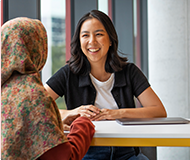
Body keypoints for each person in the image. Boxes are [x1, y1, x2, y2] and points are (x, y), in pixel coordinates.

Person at [45, 10, 167, 160]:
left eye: (99, 34)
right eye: (85, 35)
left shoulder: (129, 72)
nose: (92, 41)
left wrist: (118, 113)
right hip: (87, 152)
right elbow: (35, 107)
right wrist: (70, 112)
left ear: (110, 40)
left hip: (126, 152)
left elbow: (158, 110)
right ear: (79, 41)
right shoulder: (68, 74)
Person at [1, 17, 95, 160]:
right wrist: (83, 124)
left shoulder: (6, 90)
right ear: (37, 48)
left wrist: (53, 123)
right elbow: (66, 157)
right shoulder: (32, 95)